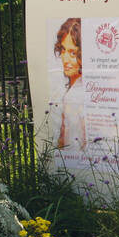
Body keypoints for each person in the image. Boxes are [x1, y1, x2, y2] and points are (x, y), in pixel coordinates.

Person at [51, 18, 87, 155]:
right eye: (63, 50)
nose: (65, 59)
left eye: (73, 53)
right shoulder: (75, 90)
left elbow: (71, 145)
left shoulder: (75, 95)